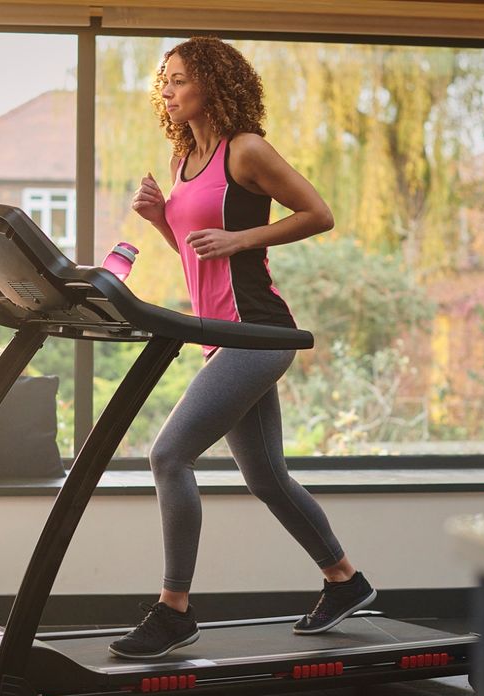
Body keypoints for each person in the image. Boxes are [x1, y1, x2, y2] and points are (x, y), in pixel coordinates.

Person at [108, 36, 376, 661]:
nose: (167, 90)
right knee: (266, 477)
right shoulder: (182, 160)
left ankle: (173, 610)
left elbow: (318, 212)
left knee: (168, 456)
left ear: (212, 82)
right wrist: (158, 219)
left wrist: (243, 237)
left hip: (256, 330)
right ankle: (345, 580)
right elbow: (198, 256)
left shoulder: (245, 150)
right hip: (219, 334)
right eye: (164, 82)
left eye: (178, 79)